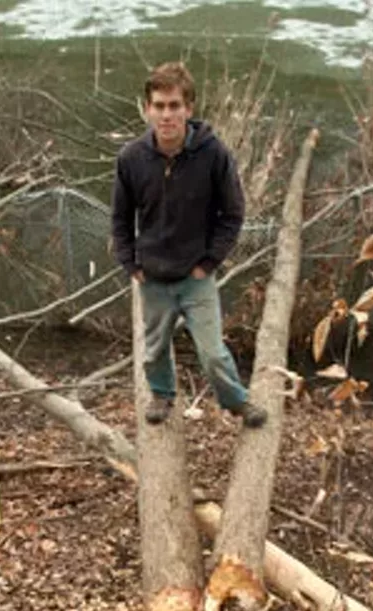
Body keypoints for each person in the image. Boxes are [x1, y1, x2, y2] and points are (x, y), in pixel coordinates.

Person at [111, 61, 267, 428]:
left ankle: (237, 402)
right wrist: (130, 264)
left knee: (212, 354)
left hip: (196, 275)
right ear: (147, 109)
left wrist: (209, 262)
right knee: (153, 351)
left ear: (189, 108)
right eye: (160, 106)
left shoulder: (214, 155)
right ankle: (162, 395)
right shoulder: (131, 159)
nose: (167, 115)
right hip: (152, 277)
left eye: (175, 106)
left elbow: (233, 213)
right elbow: (120, 218)